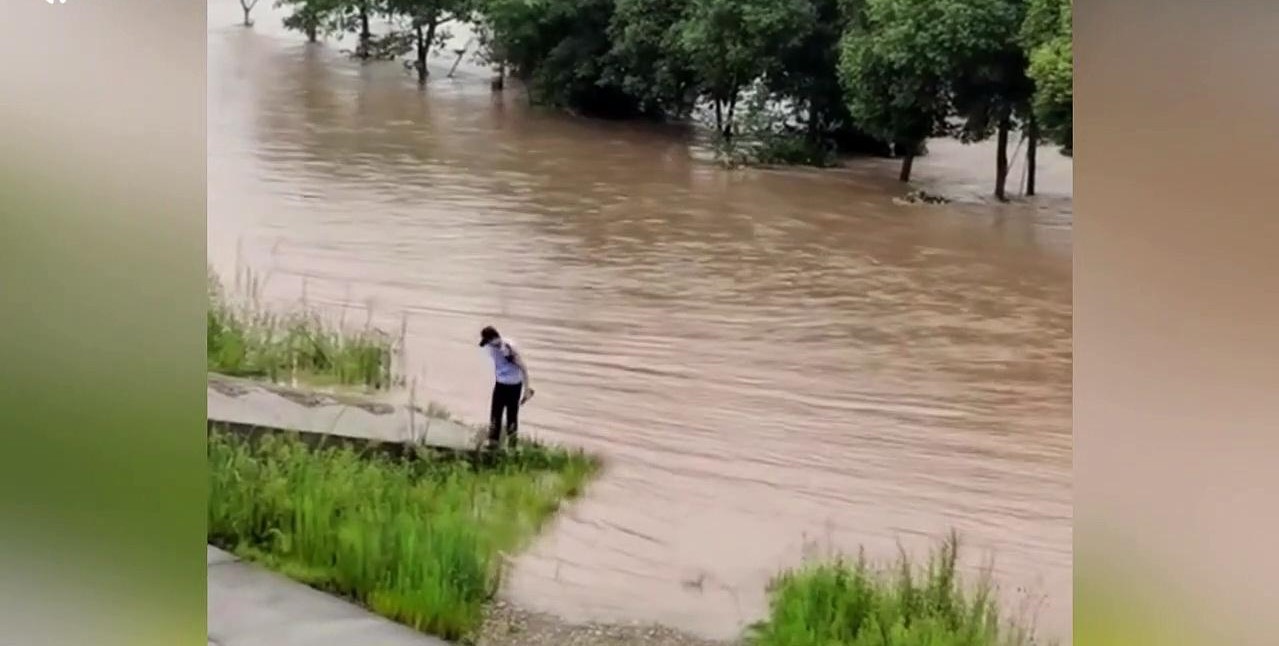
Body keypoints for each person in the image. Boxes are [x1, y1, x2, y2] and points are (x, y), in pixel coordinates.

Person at [478, 325, 533, 449]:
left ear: (494, 338)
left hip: (513, 386)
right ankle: (493, 444)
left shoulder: (509, 348)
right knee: (495, 414)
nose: (488, 345)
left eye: (488, 342)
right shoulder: (491, 347)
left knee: (511, 417)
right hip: (500, 384)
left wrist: (526, 390)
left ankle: (512, 447)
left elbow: (523, 368)